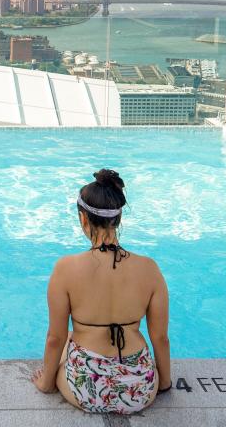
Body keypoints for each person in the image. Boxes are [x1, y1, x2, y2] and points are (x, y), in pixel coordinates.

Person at [30, 168, 171, 413]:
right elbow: (160, 338)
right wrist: (164, 383)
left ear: (83, 219)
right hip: (140, 388)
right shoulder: (150, 268)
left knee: (68, 341)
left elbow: (55, 338)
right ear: (118, 219)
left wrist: (46, 383)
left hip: (87, 390)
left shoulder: (65, 268)